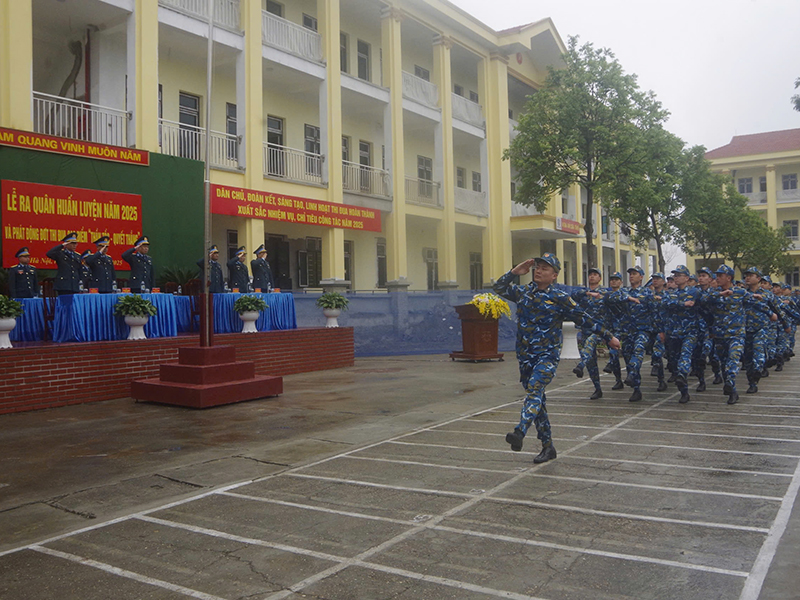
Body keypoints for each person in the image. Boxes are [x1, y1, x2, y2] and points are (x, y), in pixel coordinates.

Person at [494, 253, 620, 464]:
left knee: (535, 389)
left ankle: (520, 432)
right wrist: (514, 272)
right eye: (537, 267)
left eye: (544, 268)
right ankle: (548, 447)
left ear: (554, 275)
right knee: (538, 402)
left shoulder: (560, 297)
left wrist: (608, 336)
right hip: (525, 357)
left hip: (547, 356)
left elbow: (584, 318)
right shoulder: (523, 292)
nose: (538, 270)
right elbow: (498, 288)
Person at [607, 266, 656, 402]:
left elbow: (654, 312)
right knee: (628, 359)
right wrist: (627, 298)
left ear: (641, 277)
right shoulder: (624, 292)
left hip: (642, 330)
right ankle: (636, 389)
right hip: (628, 331)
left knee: (638, 352)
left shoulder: (647, 293)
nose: (631, 276)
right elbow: (610, 298)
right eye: (630, 274)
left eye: (634, 274)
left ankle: (633, 375)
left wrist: (657, 332)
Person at [700, 264, 746, 405]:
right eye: (717, 275)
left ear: (729, 277)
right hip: (720, 336)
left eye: (720, 276)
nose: (717, 278)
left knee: (732, 361)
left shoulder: (739, 292)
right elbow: (702, 300)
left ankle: (730, 383)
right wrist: (720, 294)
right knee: (724, 364)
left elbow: (755, 302)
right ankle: (732, 391)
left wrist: (771, 314)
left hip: (736, 335)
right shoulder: (714, 293)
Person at [662, 265, 701, 404]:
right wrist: (682, 303)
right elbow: (665, 303)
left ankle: (683, 375)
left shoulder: (695, 292)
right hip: (673, 334)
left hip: (689, 332)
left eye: (679, 275)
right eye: (675, 275)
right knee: (674, 361)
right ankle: (684, 391)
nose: (676, 278)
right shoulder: (670, 293)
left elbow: (706, 302)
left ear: (687, 278)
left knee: (685, 357)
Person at [571, 267, 609, 399]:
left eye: (595, 275)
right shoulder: (583, 292)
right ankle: (597, 388)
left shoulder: (605, 292)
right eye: (590, 274)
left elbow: (613, 300)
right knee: (591, 362)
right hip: (585, 329)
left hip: (599, 330)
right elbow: (572, 297)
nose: (592, 277)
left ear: (600, 278)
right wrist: (587, 294)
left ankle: (581, 365)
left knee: (590, 345)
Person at [742, 267, 779, 394]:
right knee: (747, 358)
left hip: (761, 328)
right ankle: (752, 383)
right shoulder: (742, 293)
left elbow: (778, 310)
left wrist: (785, 324)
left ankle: (758, 369)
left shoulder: (767, 295)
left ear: (758, 278)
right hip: (745, 330)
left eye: (750, 275)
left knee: (758, 350)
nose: (747, 277)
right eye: (746, 275)